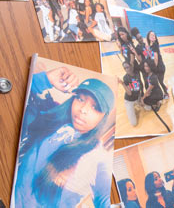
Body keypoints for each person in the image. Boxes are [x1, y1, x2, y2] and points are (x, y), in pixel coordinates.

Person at [14, 66, 114, 207]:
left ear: (103, 117)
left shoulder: (96, 157)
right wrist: (46, 79)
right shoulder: (53, 117)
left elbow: (104, 200)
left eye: (95, 107)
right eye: (80, 99)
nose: (83, 110)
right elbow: (12, 96)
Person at [118, 61, 143, 126]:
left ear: (131, 66)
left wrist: (140, 98)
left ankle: (137, 103)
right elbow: (129, 93)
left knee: (148, 108)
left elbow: (140, 86)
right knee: (134, 123)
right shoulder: (125, 78)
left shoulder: (137, 73)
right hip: (129, 101)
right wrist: (122, 83)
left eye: (127, 67)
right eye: (125, 68)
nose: (126, 69)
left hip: (137, 98)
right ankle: (130, 108)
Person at [146, 31, 169, 99]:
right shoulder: (151, 45)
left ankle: (167, 94)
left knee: (160, 82)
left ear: (155, 38)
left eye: (154, 35)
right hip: (158, 67)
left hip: (159, 68)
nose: (153, 36)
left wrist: (154, 69)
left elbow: (156, 58)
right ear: (148, 37)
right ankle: (165, 88)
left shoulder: (155, 45)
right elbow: (151, 55)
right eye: (151, 35)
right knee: (160, 81)